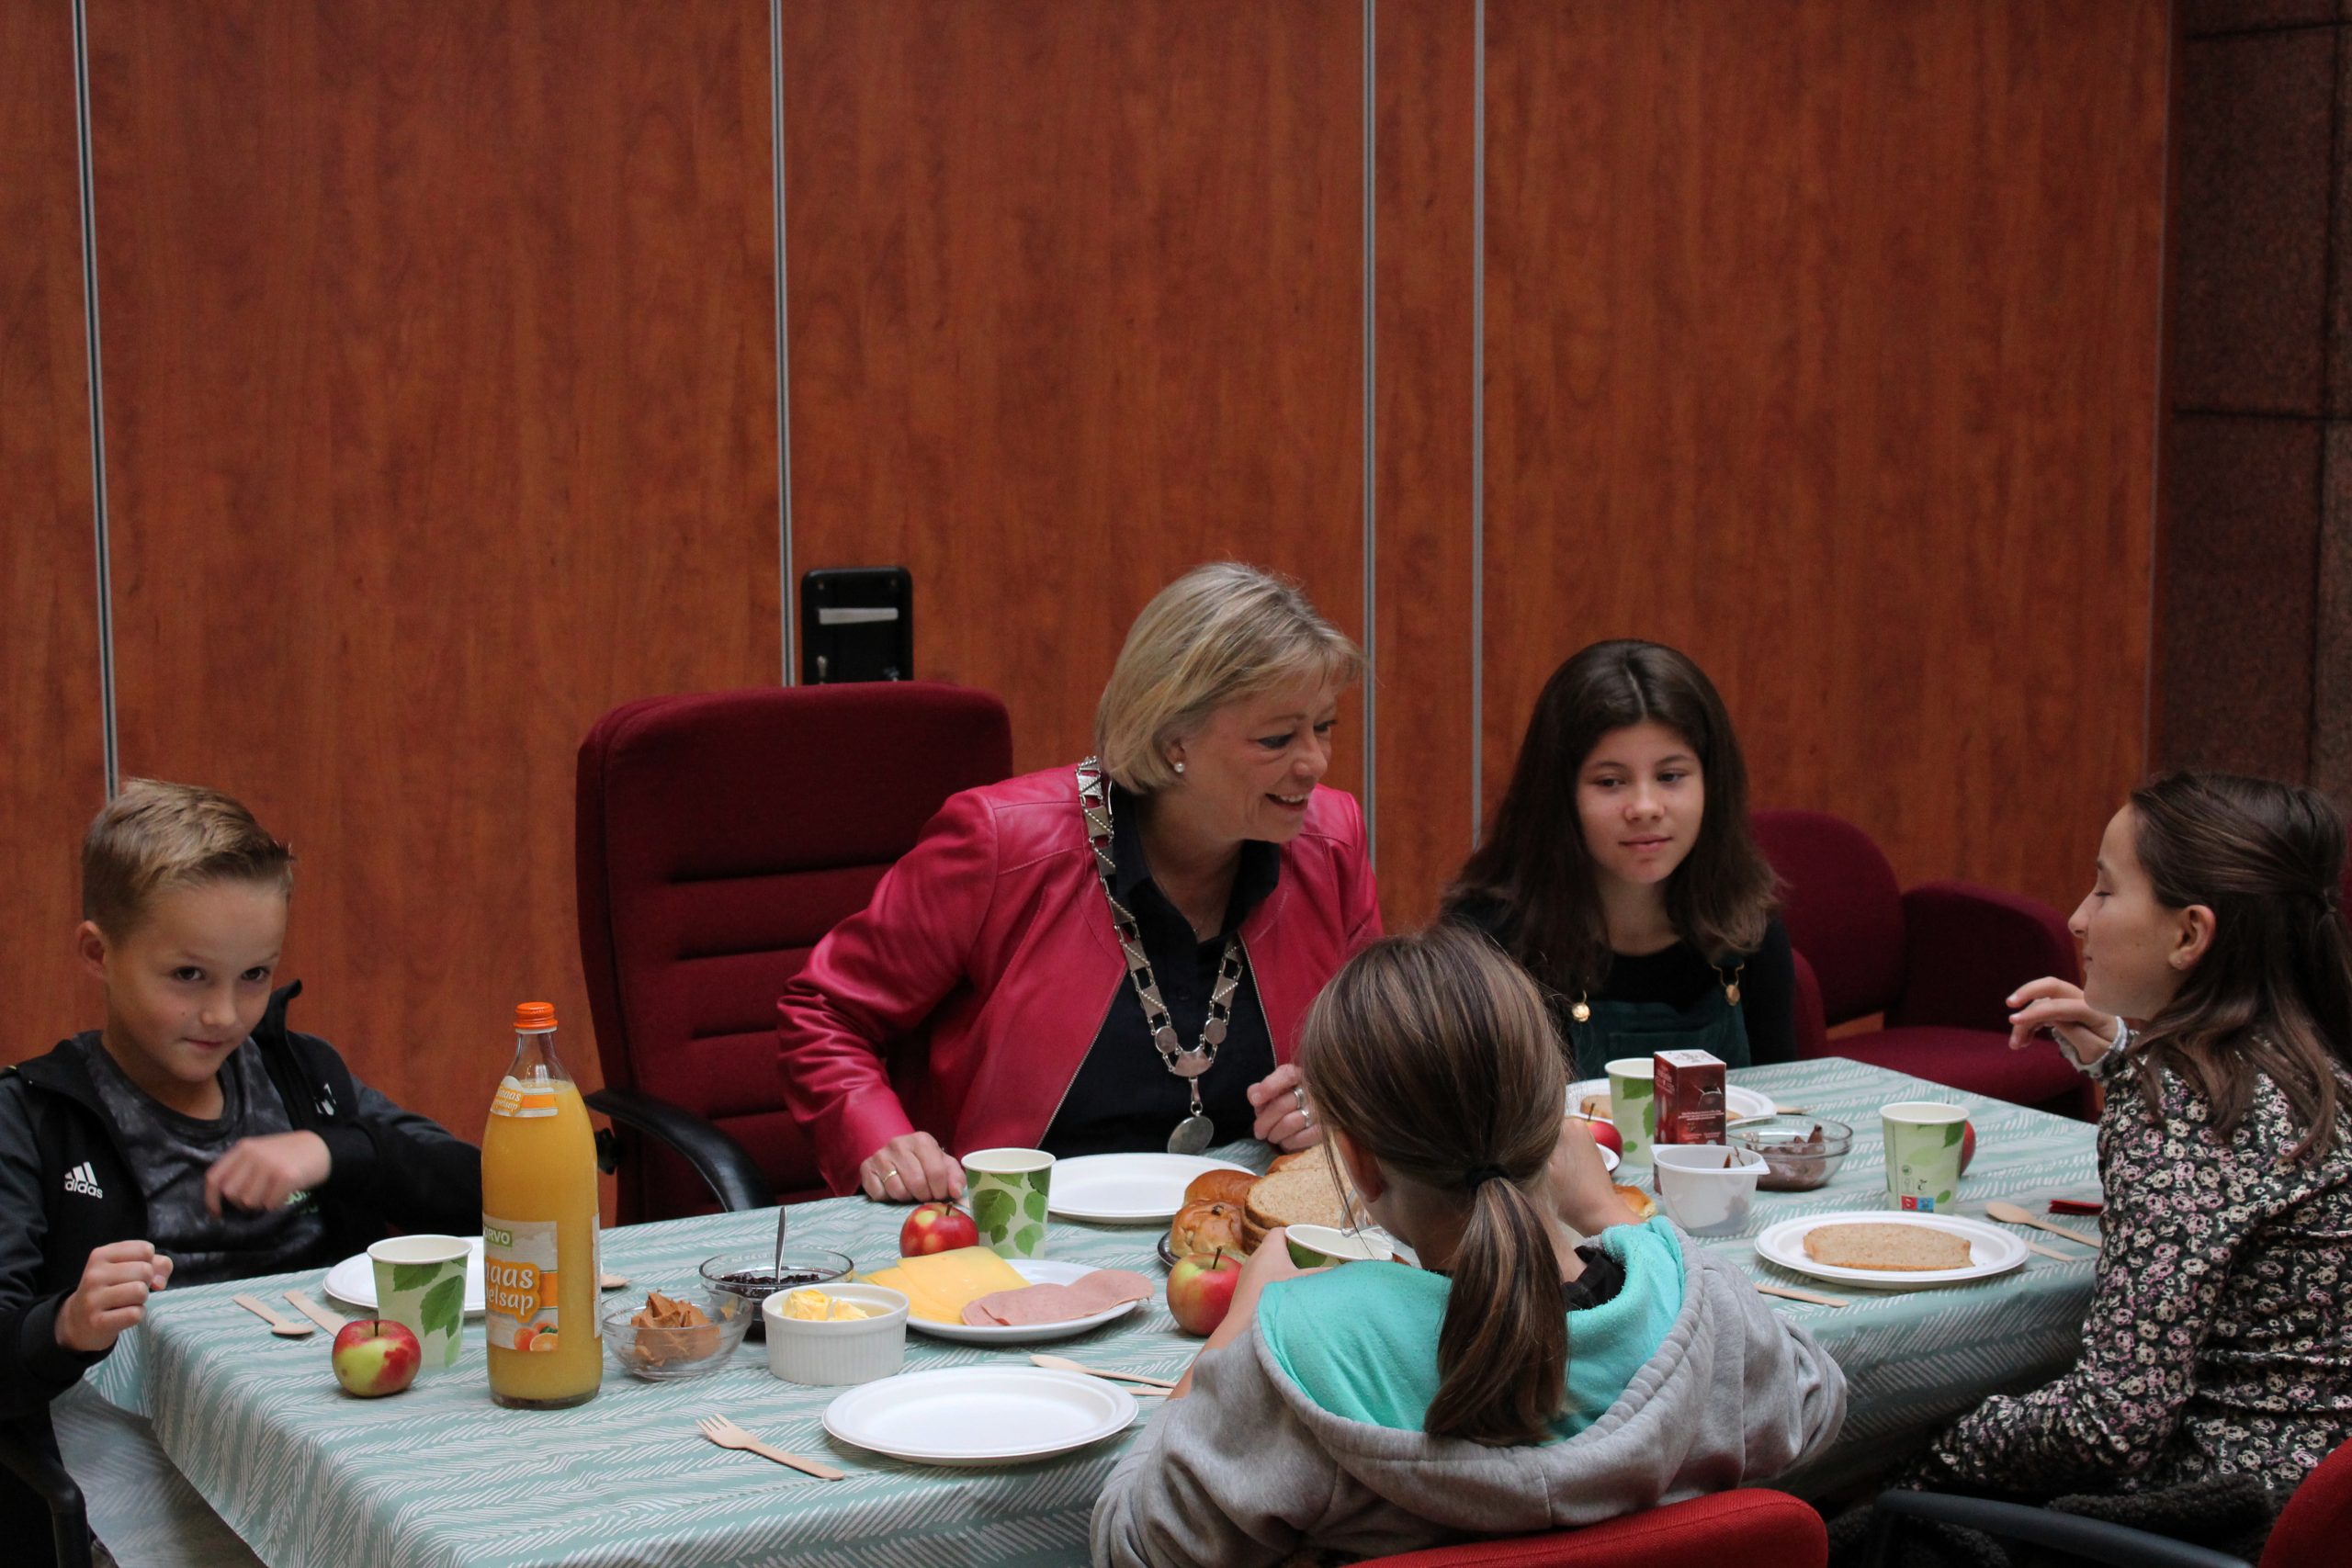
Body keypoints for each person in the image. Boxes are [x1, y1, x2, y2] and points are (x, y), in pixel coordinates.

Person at [1091, 925, 1844, 1567]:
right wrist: (1612, 1213)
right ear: (1551, 1123)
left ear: (1353, 1161)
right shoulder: (1700, 1302)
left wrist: (1232, 1334)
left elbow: (1135, 1543)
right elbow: (1816, 1402)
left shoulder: (1299, 1358)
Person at [777, 562, 1381, 1201]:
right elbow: (823, 1012)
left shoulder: (1329, 842)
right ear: (1173, 736)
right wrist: (879, 1140)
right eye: (1278, 737)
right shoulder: (1001, 842)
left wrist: (1335, 1100)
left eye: (1324, 727)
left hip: (1244, 1231)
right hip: (1016, 1236)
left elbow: (1377, 1047)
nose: (1315, 762)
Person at [0, 781, 483, 1564]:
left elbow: (484, 1195)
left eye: (254, 975)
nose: (226, 1014)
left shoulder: (302, 1076)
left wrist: (338, 1150)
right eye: (188, 976)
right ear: (99, 952)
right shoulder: (32, 1118)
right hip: (144, 1462)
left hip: (337, 1435)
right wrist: (64, 1323)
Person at [1903, 772, 2352, 1517]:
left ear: (2189, 934)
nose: (2077, 919)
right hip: (2320, 1506)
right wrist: (2127, 1053)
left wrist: (1928, 1440)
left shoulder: (2186, 1109)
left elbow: (2110, 1426)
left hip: (2218, 1515)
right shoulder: (2320, 1064)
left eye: (2106, 891)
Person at [1446, 638, 1794, 1076]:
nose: (1645, 807)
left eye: (1670, 776)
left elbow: (1782, 1109)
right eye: (1611, 782)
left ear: (1712, 785)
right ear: (1559, 795)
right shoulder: (1485, 941)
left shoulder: (1747, 927)